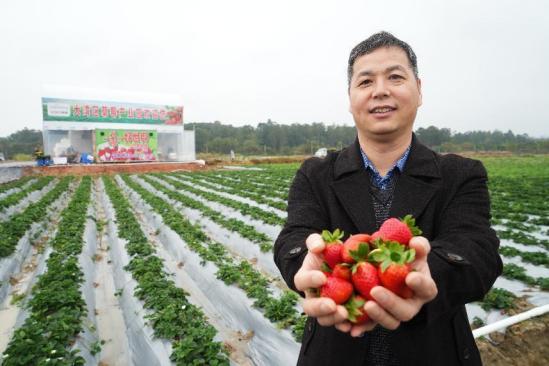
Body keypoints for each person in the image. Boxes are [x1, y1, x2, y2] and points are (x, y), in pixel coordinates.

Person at [274, 31, 502, 365]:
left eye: (395, 77)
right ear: (350, 97)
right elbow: (292, 238)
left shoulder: (460, 174)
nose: (380, 90)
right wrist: (308, 264)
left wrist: (422, 278)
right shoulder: (316, 174)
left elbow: (478, 249)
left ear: (419, 90)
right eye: (365, 81)